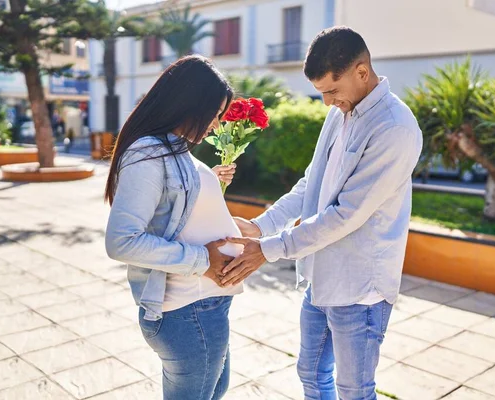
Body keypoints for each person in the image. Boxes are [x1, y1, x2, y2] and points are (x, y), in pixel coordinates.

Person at [224, 27, 423, 399]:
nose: (328, 103)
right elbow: (311, 183)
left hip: (361, 287)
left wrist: (268, 249)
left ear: (362, 72)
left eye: (332, 91)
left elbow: (345, 215)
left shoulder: (394, 128)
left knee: (354, 390)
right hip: (322, 277)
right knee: (312, 374)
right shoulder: (340, 113)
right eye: (322, 94)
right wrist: (260, 226)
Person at [104, 55, 239, 400]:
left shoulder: (174, 150)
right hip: (187, 309)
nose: (216, 123)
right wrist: (204, 260)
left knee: (215, 389)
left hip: (205, 305)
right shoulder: (149, 152)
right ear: (188, 102)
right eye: (214, 112)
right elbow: (122, 241)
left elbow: (179, 212)